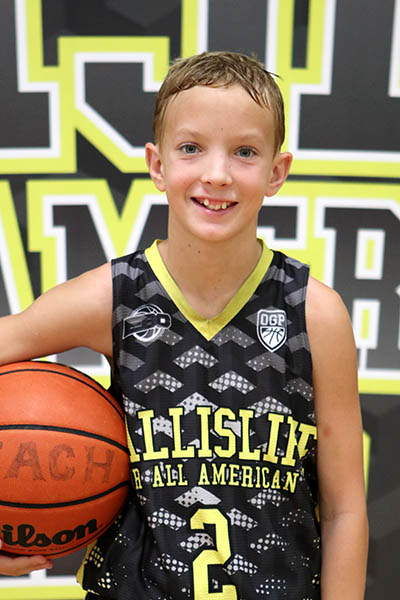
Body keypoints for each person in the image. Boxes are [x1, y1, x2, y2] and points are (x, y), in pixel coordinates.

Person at [0, 51, 368, 599]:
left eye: (245, 152)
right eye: (191, 148)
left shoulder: (313, 313)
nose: (216, 174)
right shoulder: (114, 297)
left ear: (276, 172)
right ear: (157, 165)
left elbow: (345, 511)